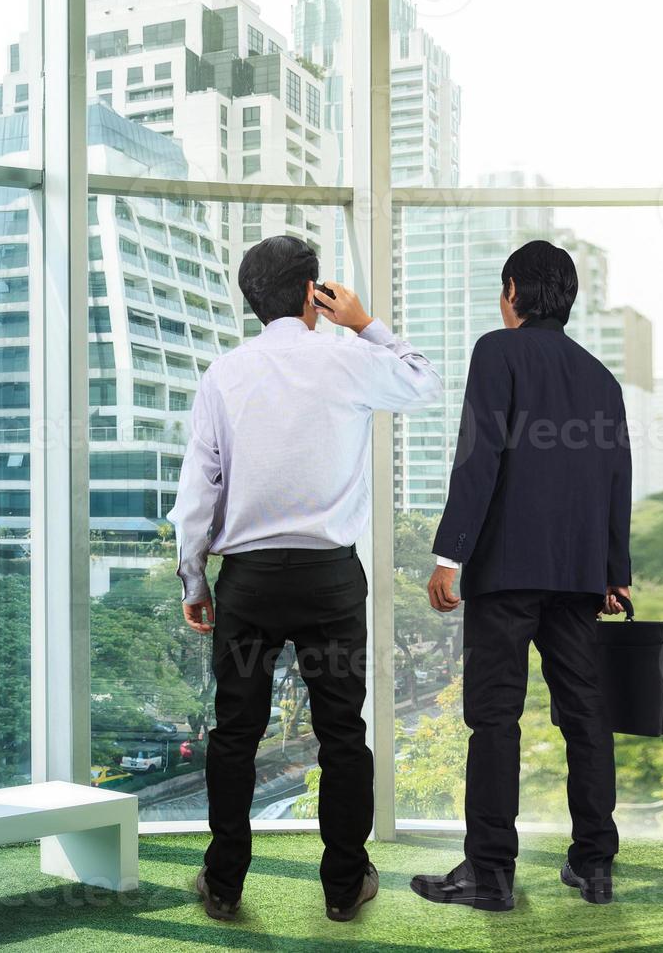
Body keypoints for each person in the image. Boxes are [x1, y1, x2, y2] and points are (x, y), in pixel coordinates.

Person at [169, 235, 442, 923]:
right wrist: (364, 323)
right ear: (310, 292)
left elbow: (198, 492)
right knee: (341, 734)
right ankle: (344, 886)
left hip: (248, 584)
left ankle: (224, 883)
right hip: (327, 582)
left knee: (233, 735)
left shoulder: (223, 374)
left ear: (249, 300)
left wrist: (193, 583)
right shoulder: (348, 357)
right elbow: (424, 382)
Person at [411, 240, 632, 911]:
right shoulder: (602, 377)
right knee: (586, 718)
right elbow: (616, 480)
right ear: (564, 297)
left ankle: (490, 874)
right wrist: (614, 572)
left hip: (504, 573)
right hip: (577, 578)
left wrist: (449, 554)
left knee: (494, 720)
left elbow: (477, 459)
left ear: (512, 291)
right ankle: (593, 866)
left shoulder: (496, 351)